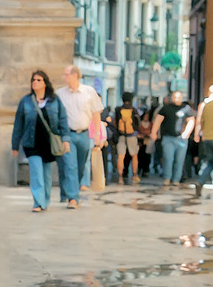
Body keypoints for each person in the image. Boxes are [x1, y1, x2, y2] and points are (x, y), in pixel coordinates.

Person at [11, 70, 71, 211]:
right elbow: (18, 124)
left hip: (49, 144)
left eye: (38, 80)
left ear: (45, 83)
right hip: (32, 143)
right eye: (33, 80)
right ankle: (38, 202)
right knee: (36, 173)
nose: (35, 82)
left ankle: (45, 200)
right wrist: (15, 145)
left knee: (46, 175)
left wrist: (65, 139)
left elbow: (63, 120)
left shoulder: (55, 101)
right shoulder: (25, 101)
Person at [55, 65, 104, 209]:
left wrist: (97, 134)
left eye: (66, 74)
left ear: (75, 75)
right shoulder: (60, 94)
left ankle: (68, 191)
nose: (64, 77)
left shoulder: (89, 92)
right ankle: (73, 198)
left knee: (80, 166)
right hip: (68, 134)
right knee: (70, 166)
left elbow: (96, 113)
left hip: (84, 134)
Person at [149, 91, 195, 187]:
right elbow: (158, 120)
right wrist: (154, 132)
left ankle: (176, 179)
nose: (177, 99)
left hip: (181, 139)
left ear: (182, 98)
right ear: (172, 98)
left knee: (179, 160)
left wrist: (187, 133)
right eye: (175, 97)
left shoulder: (186, 109)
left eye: (179, 97)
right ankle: (167, 178)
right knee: (168, 158)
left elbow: (191, 121)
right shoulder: (166, 108)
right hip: (168, 138)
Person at [114, 92, 141, 185]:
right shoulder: (133, 110)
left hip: (121, 136)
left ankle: (120, 177)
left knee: (121, 156)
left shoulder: (118, 110)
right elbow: (138, 123)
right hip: (132, 135)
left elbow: (115, 123)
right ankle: (134, 175)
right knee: (134, 156)